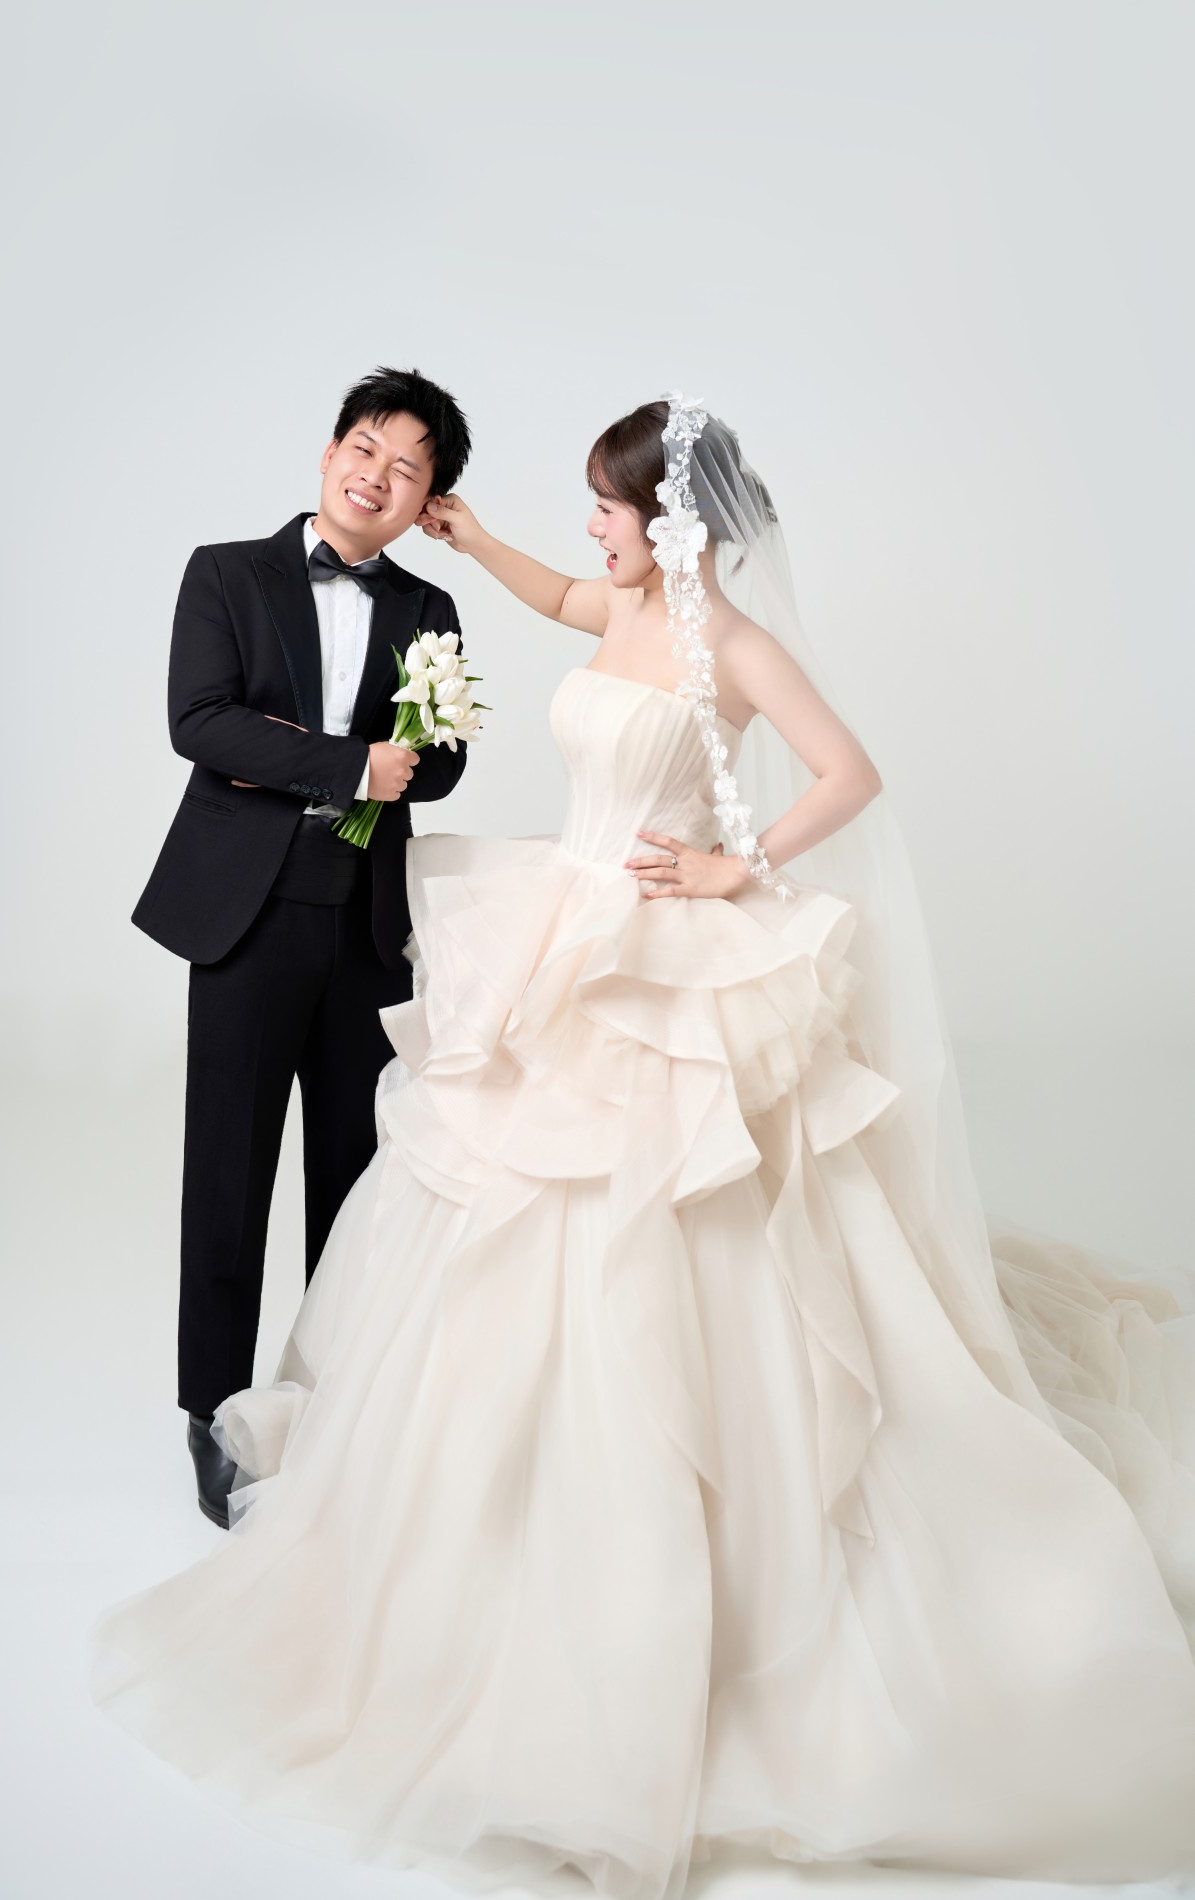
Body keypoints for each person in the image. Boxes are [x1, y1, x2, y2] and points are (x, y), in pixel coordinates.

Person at [92, 394, 1195, 1894]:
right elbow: (554, 597)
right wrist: (477, 539)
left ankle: (662, 1513)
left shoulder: (733, 644)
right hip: (557, 921)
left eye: (606, 507)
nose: (592, 527)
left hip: (661, 941)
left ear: (667, 521)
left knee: (677, 1223)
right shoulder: (607, 600)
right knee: (474, 1190)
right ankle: (372, 1449)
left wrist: (738, 863)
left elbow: (847, 772)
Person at [130, 365, 473, 1526]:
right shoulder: (225, 573)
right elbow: (200, 721)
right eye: (365, 449)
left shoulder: (429, 607)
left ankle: (333, 1406)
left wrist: (330, 757)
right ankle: (214, 1416)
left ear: (424, 500)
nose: (377, 476)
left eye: (407, 469)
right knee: (228, 1173)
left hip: (368, 920)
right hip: (246, 910)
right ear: (330, 453)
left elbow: (447, 758)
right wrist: (348, 764)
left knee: (354, 1176)